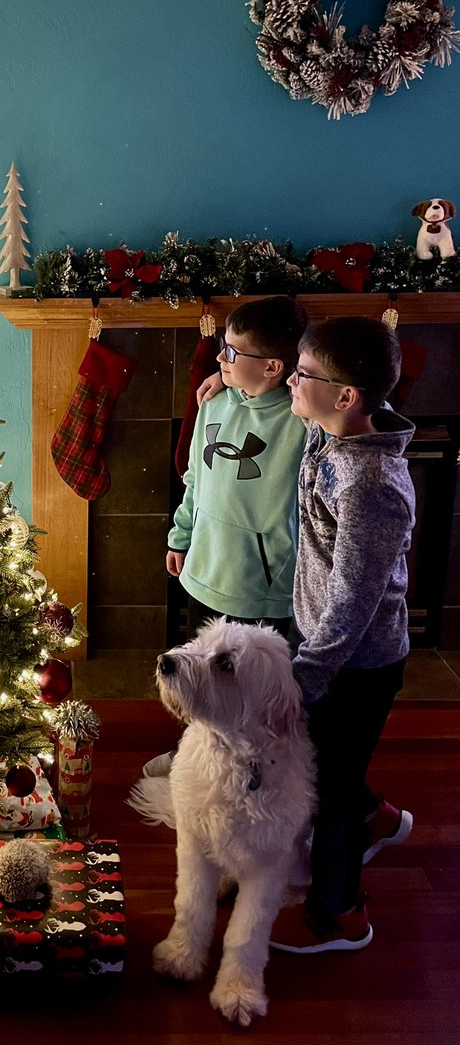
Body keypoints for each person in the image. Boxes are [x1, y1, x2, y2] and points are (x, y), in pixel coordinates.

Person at [269, 316, 415, 954]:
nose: (291, 384)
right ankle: (377, 817)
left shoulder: (370, 485)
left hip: (356, 660)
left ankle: (342, 914)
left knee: (325, 782)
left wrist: (311, 672)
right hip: (327, 643)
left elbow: (355, 599)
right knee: (333, 759)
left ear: (348, 396)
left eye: (302, 375)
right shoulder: (330, 431)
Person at [144, 296, 308, 777]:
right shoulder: (213, 399)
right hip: (206, 569)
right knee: (197, 682)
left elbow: (363, 399)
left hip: (264, 587)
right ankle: (193, 757)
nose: (220, 358)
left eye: (233, 353)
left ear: (275, 366)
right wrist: (181, 536)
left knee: (252, 697)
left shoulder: (304, 421)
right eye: (223, 347)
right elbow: (196, 477)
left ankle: (261, 775)